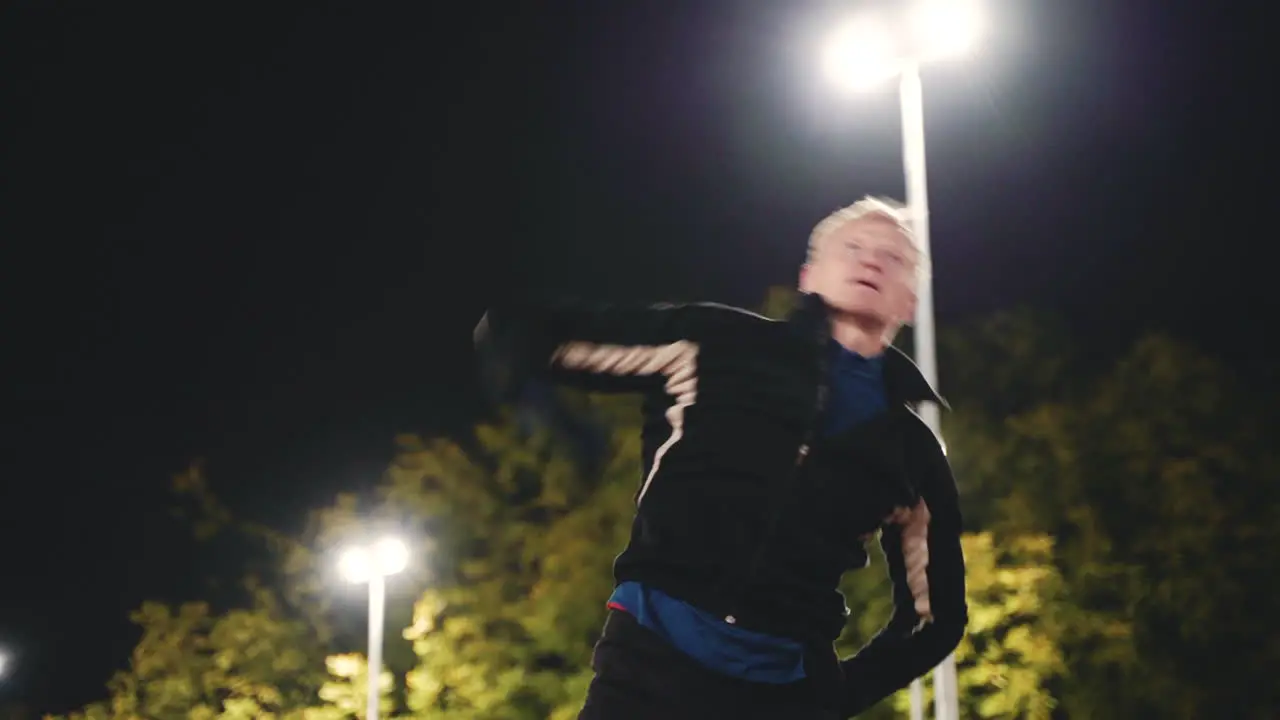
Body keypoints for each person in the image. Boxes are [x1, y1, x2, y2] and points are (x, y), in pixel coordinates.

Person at [473, 196, 967, 719]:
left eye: (893, 257)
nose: (871, 261)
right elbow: (526, 333)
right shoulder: (715, 344)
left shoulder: (915, 453)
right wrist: (563, 430)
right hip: (649, 670)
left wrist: (837, 696)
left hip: (787, 693)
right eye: (853, 247)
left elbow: (936, 619)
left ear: (910, 300)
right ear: (808, 276)